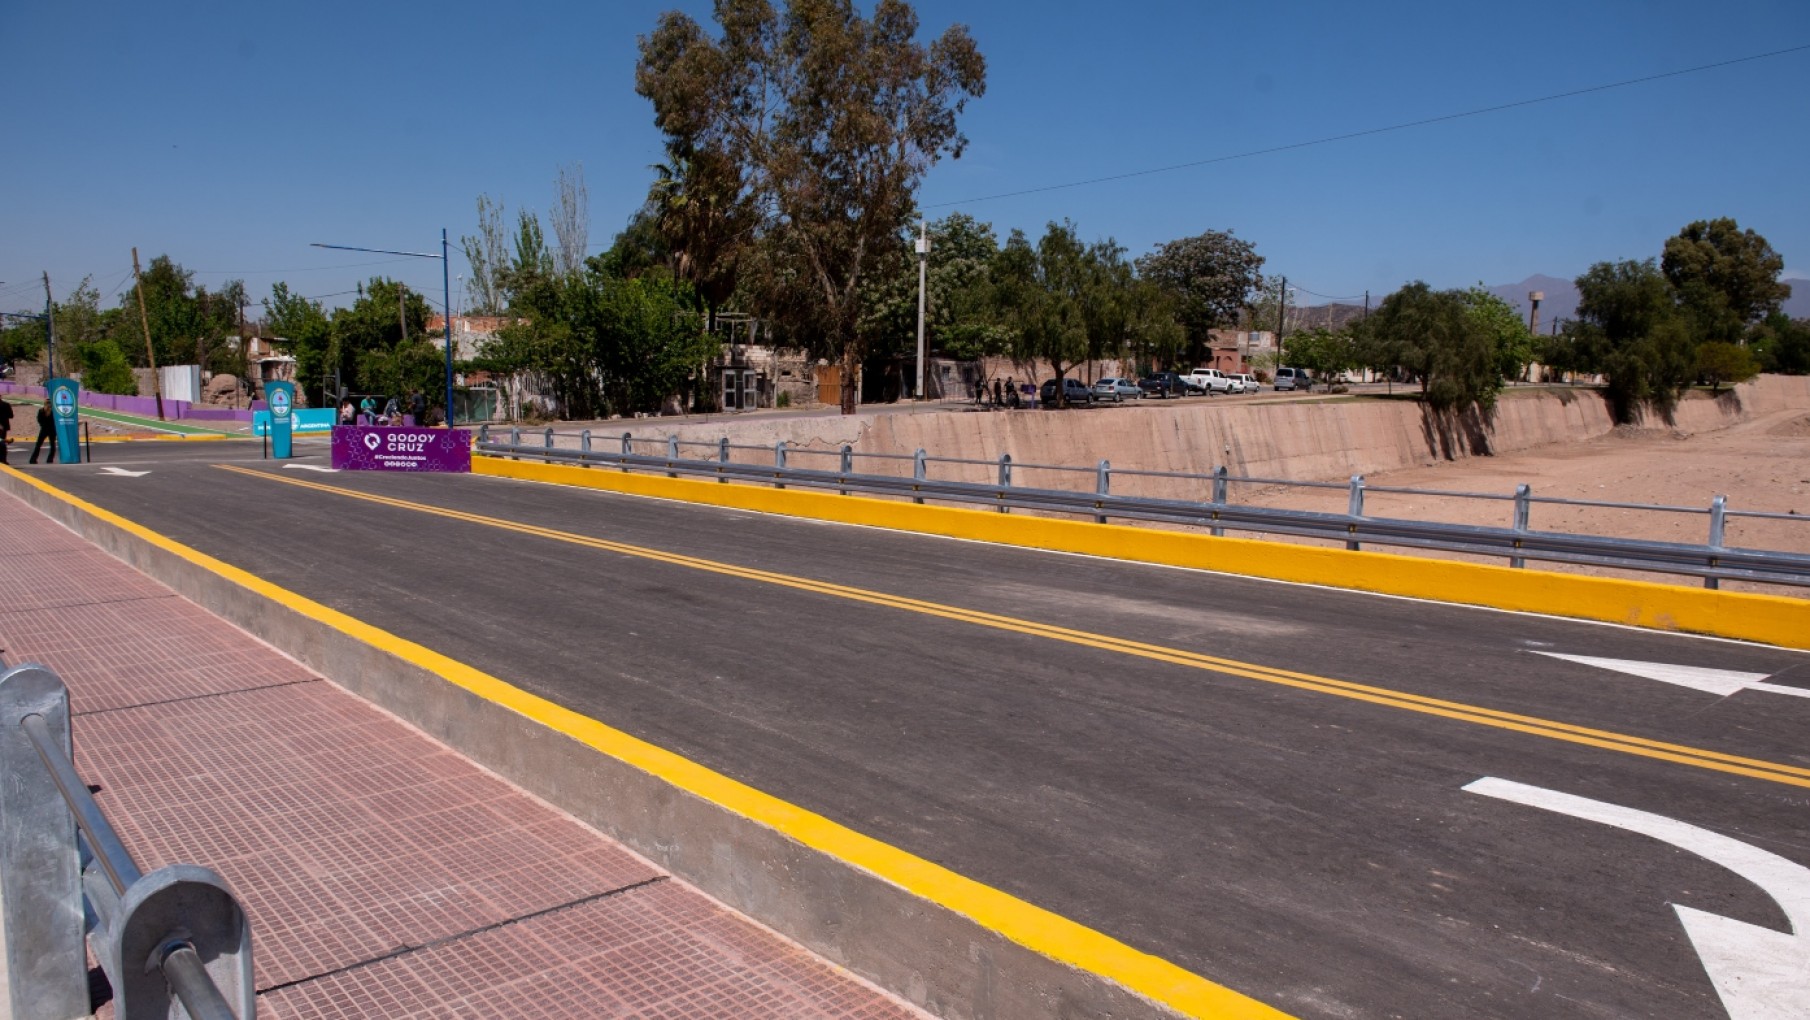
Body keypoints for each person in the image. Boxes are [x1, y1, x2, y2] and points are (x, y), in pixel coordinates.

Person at [0, 394, 12, 464]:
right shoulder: (6, 405)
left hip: (2, 426)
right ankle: (3, 459)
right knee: (2, 443)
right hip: (4, 426)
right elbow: (11, 415)